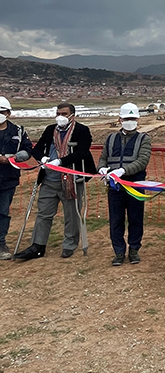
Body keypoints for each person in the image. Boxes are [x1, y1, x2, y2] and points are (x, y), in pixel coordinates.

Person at [15, 103, 96, 260]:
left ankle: (69, 244)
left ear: (73, 115)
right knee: (43, 214)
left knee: (72, 215)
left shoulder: (82, 130)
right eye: (58, 113)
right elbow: (36, 149)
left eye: (64, 113)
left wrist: (61, 161)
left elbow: (83, 152)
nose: (60, 116)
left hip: (71, 180)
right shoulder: (50, 129)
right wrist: (43, 158)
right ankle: (37, 246)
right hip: (49, 179)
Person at [97, 103, 152, 266]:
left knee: (136, 218)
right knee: (116, 219)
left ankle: (134, 249)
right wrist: (102, 169)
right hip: (115, 187)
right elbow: (103, 157)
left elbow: (142, 161)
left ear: (138, 120)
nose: (130, 121)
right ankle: (119, 251)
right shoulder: (110, 138)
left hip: (135, 185)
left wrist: (122, 171)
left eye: (133, 118)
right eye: (127, 118)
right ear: (120, 119)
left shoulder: (144, 139)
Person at [0, 97, 34, 260]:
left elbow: (27, 150)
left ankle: (0, 243)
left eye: (2, 111)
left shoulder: (18, 131)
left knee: (3, 212)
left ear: (8, 113)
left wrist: (16, 157)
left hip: (8, 178)